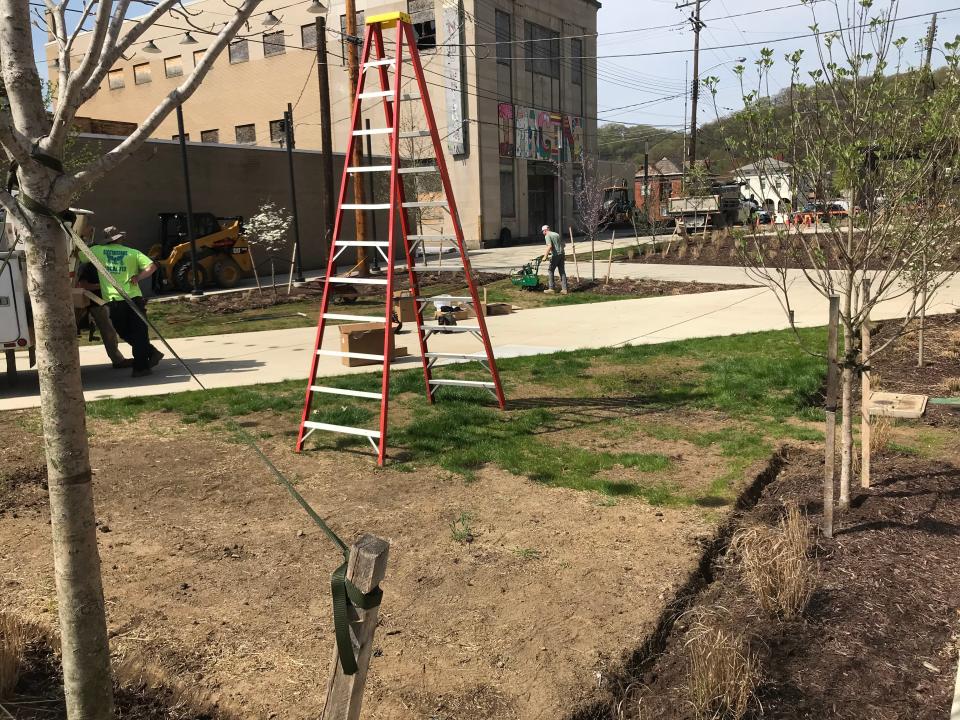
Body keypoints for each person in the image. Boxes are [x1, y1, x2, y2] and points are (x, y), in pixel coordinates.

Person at [83, 226, 163, 377]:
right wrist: (138, 277)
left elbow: (79, 255)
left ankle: (149, 355)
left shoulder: (97, 251)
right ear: (120, 238)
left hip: (115, 300)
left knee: (124, 331)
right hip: (134, 298)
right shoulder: (133, 252)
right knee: (139, 332)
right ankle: (142, 367)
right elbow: (152, 266)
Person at [540, 224, 568, 295]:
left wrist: (545, 256)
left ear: (545, 230)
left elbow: (549, 246)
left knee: (550, 270)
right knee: (562, 271)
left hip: (555, 255)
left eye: (543, 231)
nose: (543, 233)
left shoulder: (547, 236)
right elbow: (563, 244)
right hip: (562, 254)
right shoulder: (556, 234)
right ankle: (564, 289)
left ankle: (551, 288)